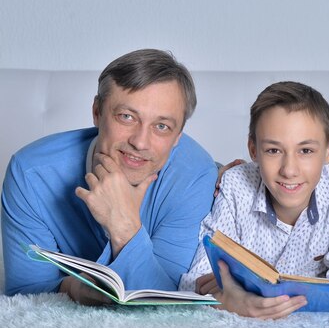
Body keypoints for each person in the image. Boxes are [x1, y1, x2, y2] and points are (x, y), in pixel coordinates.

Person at [1, 49, 218, 305]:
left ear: (179, 135)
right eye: (126, 117)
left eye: (162, 126)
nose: (140, 142)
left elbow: (168, 297)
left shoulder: (195, 176)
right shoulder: (31, 174)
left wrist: (123, 228)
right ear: (97, 112)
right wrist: (72, 287)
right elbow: (25, 292)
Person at [180, 81, 329, 319]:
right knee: (214, 178)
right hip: (237, 175)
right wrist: (230, 301)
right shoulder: (235, 185)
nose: (289, 170)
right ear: (253, 149)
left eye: (306, 151)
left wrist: (230, 289)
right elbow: (194, 283)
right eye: (273, 150)